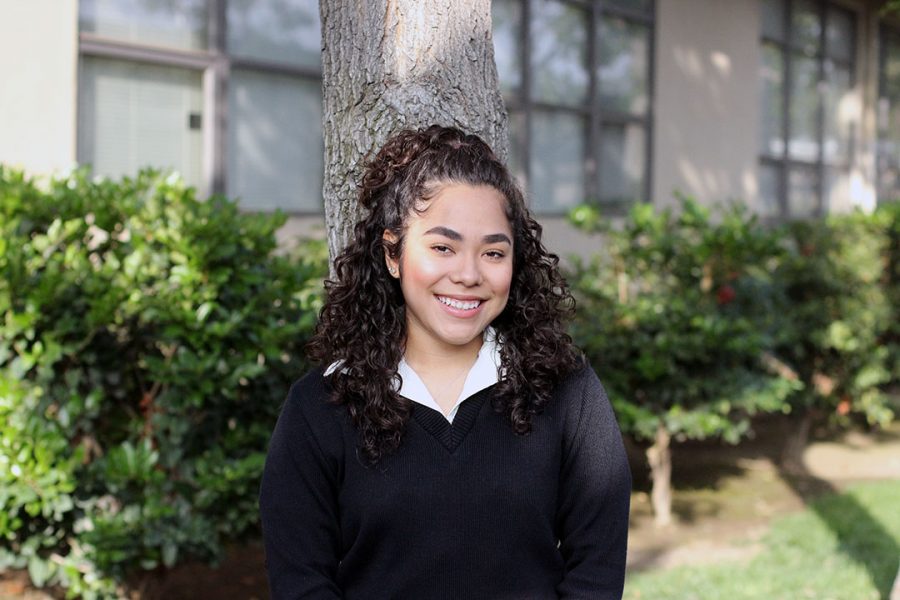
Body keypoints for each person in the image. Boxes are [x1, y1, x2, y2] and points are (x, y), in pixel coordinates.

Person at [259, 125, 632, 599]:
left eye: (493, 252)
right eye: (442, 247)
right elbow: (300, 583)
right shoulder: (321, 406)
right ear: (392, 253)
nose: (469, 274)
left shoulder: (567, 392)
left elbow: (595, 576)